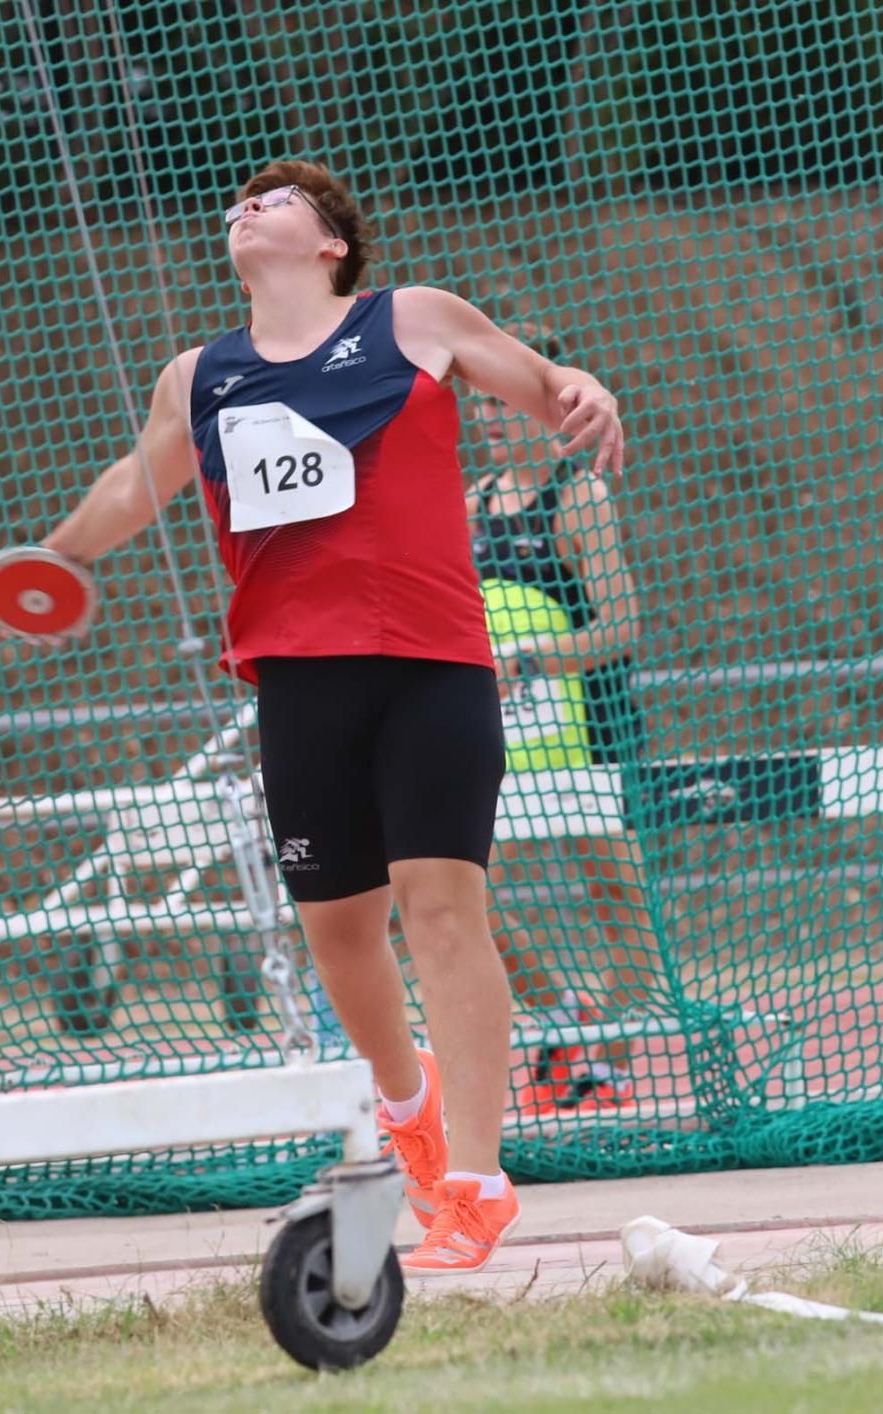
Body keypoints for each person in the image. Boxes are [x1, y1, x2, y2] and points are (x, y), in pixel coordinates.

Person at [37, 161, 623, 1273]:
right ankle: (410, 1107)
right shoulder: (197, 376)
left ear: (330, 245)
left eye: (277, 199)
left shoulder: (412, 322)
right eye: (240, 200)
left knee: (443, 905)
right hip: (299, 685)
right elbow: (134, 483)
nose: (247, 206)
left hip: (435, 665)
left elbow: (545, 387)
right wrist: (52, 557)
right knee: (340, 933)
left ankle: (475, 1179)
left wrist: (579, 387)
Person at [468, 330, 663, 1117]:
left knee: (617, 892)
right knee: (466, 897)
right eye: (477, 402)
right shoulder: (468, 503)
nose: (486, 416)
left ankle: (604, 1062)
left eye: (500, 402)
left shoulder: (579, 498)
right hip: (497, 739)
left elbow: (621, 626)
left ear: (543, 407)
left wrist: (538, 657)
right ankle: (562, 1029)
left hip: (589, 732)